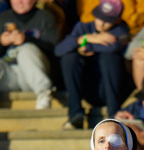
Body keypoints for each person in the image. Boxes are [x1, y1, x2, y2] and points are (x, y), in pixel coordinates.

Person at [55, 0, 130, 129]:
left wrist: (86, 44)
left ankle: (113, 113)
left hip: (113, 89)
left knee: (108, 58)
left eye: (107, 20)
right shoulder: (83, 27)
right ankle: (75, 114)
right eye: (99, 18)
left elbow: (112, 47)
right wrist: (84, 38)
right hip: (88, 85)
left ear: (117, 20)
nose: (101, 23)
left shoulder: (121, 30)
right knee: (69, 58)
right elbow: (59, 50)